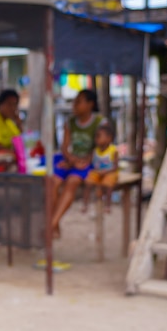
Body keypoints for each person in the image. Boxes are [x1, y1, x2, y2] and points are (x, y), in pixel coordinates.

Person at [51, 89, 105, 238]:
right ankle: (54, 223)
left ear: (90, 104)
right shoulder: (71, 122)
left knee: (72, 182)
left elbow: (102, 146)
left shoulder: (100, 122)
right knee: (53, 182)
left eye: (79, 102)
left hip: (90, 162)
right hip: (72, 160)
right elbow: (65, 146)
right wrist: (71, 159)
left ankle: (52, 223)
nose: (74, 105)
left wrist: (86, 160)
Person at [82, 124, 119, 215]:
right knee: (88, 182)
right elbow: (88, 162)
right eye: (96, 136)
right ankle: (85, 204)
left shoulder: (113, 150)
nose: (96, 139)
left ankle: (108, 205)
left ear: (109, 138)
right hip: (97, 172)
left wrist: (105, 172)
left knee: (108, 184)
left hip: (110, 172)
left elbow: (115, 167)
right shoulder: (95, 151)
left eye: (99, 136)